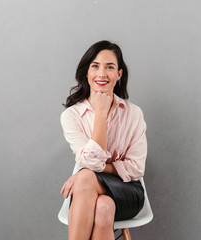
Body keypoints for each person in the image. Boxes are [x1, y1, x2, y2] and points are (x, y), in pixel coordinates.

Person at [60, 40, 147, 240]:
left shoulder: (133, 113)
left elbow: (136, 169)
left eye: (110, 67)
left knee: (86, 176)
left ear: (119, 74)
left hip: (129, 192)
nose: (102, 74)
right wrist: (100, 114)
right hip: (91, 193)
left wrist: (92, 170)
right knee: (103, 206)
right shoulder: (72, 116)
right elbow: (90, 163)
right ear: (86, 73)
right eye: (95, 66)